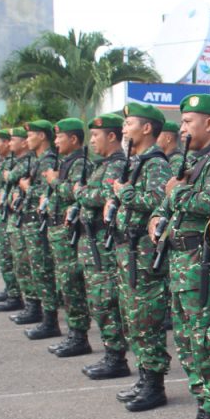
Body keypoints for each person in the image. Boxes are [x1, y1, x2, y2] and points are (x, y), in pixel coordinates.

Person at [149, 94, 210, 419]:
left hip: (203, 266)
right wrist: (159, 215)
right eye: (183, 122)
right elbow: (169, 200)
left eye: (189, 121)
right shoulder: (193, 161)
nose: (183, 128)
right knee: (188, 341)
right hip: (182, 265)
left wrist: (176, 195)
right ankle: (204, 411)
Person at [111, 103, 172, 411]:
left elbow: (161, 199)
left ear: (147, 128)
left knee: (146, 318)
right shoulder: (138, 162)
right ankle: (144, 377)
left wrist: (125, 194)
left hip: (145, 255)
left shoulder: (155, 164)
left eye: (129, 123)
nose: (124, 129)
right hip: (130, 253)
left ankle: (154, 385)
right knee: (134, 318)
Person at [77, 114, 131, 381]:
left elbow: (102, 195)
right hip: (93, 243)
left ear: (111, 136)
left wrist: (80, 192)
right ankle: (112, 353)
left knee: (106, 300)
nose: (92, 141)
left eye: (96, 136)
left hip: (104, 244)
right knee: (98, 300)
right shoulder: (103, 165)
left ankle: (116, 357)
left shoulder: (117, 164)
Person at [41, 118, 93, 357]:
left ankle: (79, 336)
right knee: (66, 283)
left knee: (73, 284)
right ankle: (74, 333)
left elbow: (76, 194)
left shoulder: (80, 164)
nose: (56, 141)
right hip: (59, 232)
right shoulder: (67, 162)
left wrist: (55, 182)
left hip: (70, 234)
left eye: (60, 137)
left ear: (73, 139)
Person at [19, 120, 62, 340]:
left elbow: (49, 192)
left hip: (41, 223)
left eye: (30, 135)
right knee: (36, 270)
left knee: (44, 271)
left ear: (41, 137)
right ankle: (42, 313)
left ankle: (50, 320)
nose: (27, 140)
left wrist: (28, 189)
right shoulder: (39, 160)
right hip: (33, 222)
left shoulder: (48, 161)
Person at [4, 127, 42, 324]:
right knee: (24, 266)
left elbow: (10, 178)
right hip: (23, 220)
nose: (10, 144)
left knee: (36, 269)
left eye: (13, 140)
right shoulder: (31, 162)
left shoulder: (36, 162)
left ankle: (38, 311)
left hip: (36, 224)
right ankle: (31, 305)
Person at [0, 129, 24, 311]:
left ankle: (15, 295)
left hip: (12, 216)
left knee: (11, 258)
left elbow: (9, 180)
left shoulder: (17, 163)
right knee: (5, 257)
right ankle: (11, 290)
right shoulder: (4, 162)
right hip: (0, 213)